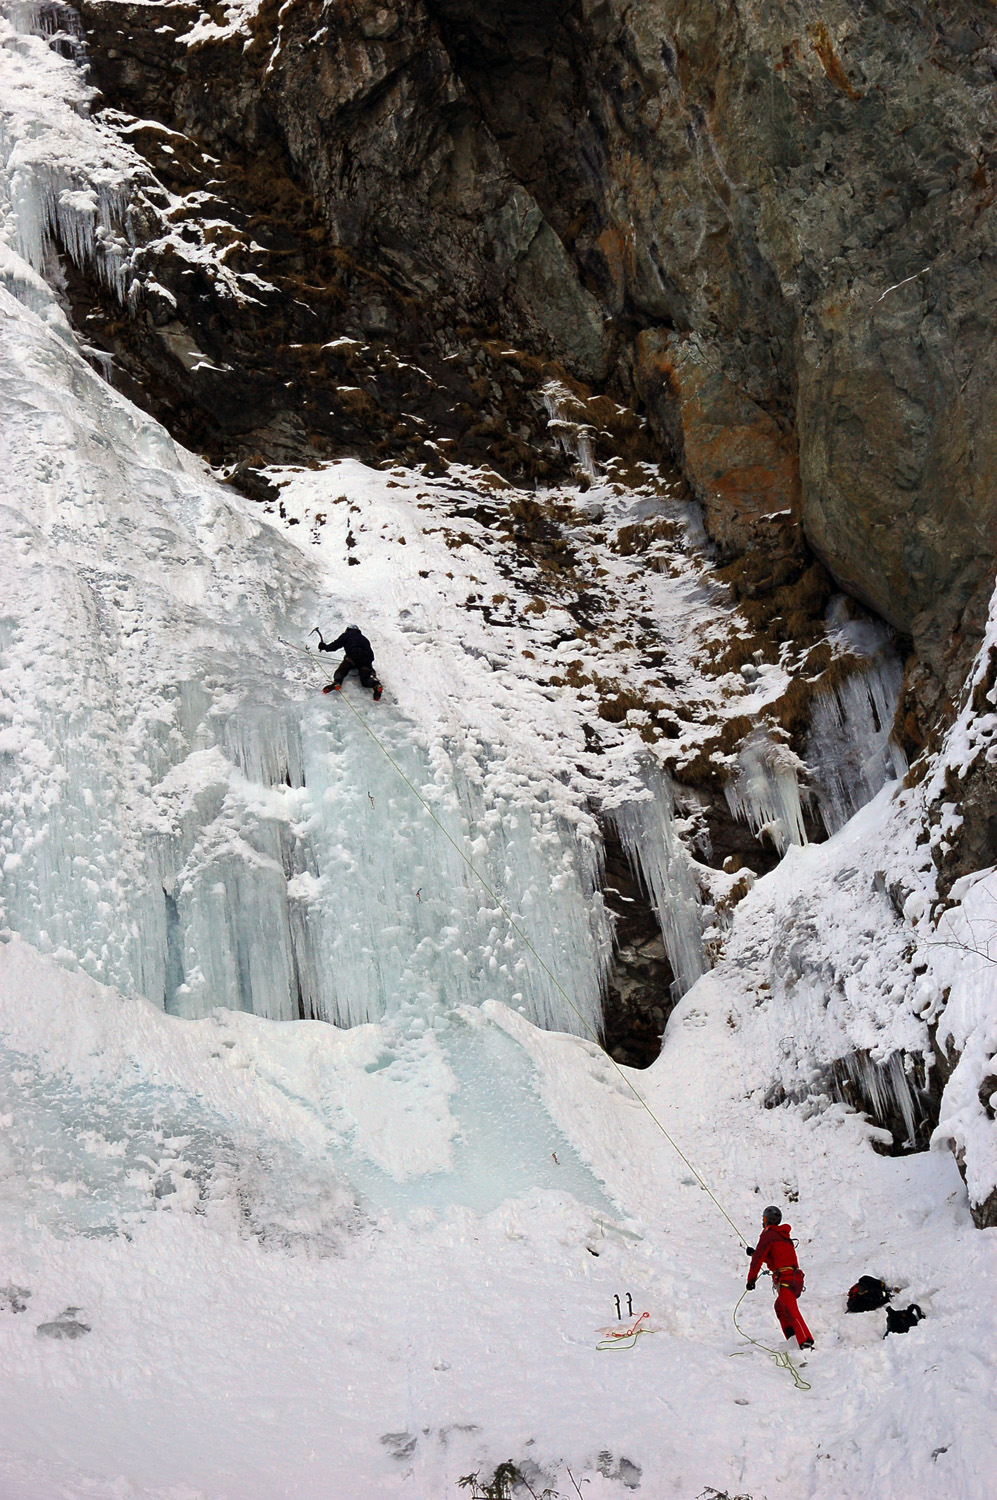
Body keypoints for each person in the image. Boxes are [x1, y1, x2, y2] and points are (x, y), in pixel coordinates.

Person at [745, 1205, 814, 1350]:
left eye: (763, 1218)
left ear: (767, 1220)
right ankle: (793, 1340)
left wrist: (751, 1280)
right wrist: (755, 1253)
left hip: (786, 1279)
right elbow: (776, 1257)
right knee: (780, 1307)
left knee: (790, 1310)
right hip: (794, 1279)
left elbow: (758, 1259)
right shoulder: (782, 1235)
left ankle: (806, 1342)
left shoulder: (768, 1234)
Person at [314, 625, 382, 701]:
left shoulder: (347, 635)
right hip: (366, 659)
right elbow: (371, 655)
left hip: (353, 655)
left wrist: (324, 647)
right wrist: (370, 669)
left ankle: (337, 683)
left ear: (347, 630)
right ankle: (376, 685)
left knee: (341, 671)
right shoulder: (364, 639)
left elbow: (334, 646)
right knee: (365, 680)